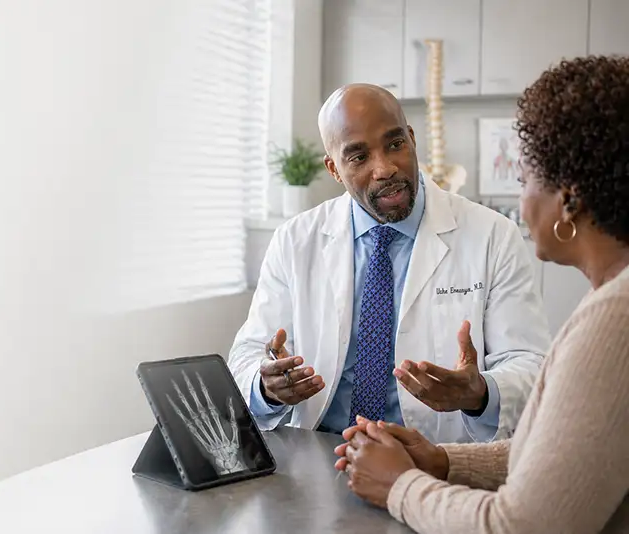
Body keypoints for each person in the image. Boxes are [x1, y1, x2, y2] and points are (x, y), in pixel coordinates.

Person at [334, 55, 629, 533]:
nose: (520, 200)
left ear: (569, 202)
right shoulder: (613, 303)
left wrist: (400, 485)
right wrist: (444, 461)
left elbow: (522, 525)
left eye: (523, 180)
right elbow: (560, 448)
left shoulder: (614, 323)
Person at [227, 83, 551, 444]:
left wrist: (481, 393)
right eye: (359, 157)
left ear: (412, 139)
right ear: (334, 169)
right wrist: (266, 386)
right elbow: (246, 354)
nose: (385, 168)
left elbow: (531, 366)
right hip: (320, 453)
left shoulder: (493, 236)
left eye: (395, 144)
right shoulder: (295, 240)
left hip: (433, 458)